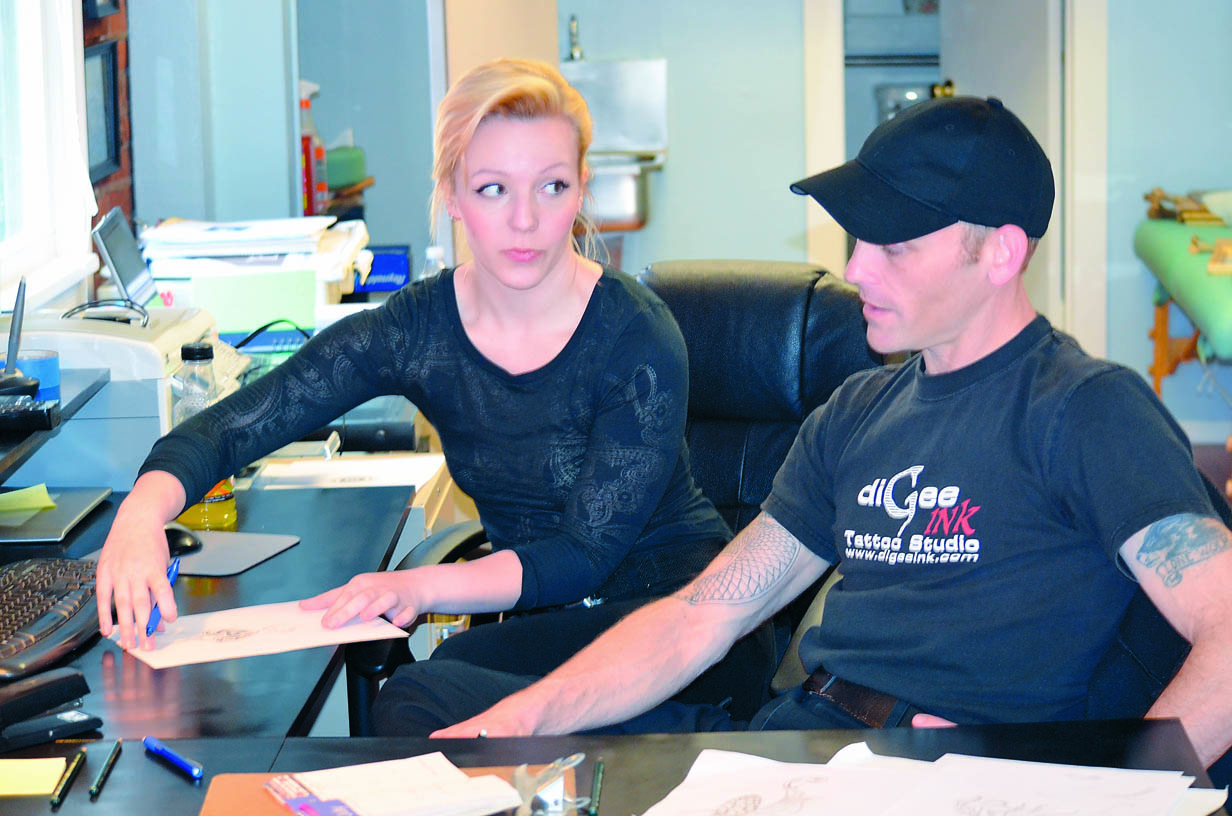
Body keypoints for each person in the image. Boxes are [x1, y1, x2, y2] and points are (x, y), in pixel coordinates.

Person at [404, 95, 1232, 771]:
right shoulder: (858, 411)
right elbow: (702, 616)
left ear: (1001, 254)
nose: (858, 269)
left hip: (942, 772)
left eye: (895, 246)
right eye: (857, 239)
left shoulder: (1083, 409)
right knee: (424, 706)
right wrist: (526, 717)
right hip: (797, 746)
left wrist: (1113, 789)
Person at [94, 58, 777, 725]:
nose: (525, 220)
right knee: (426, 699)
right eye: (492, 189)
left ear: (580, 191)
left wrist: (415, 587)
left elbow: (581, 556)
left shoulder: (635, 333)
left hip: (687, 629)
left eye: (551, 186)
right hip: (553, 626)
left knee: (421, 701)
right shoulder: (418, 329)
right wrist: (139, 517)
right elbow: (242, 422)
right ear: (451, 194)